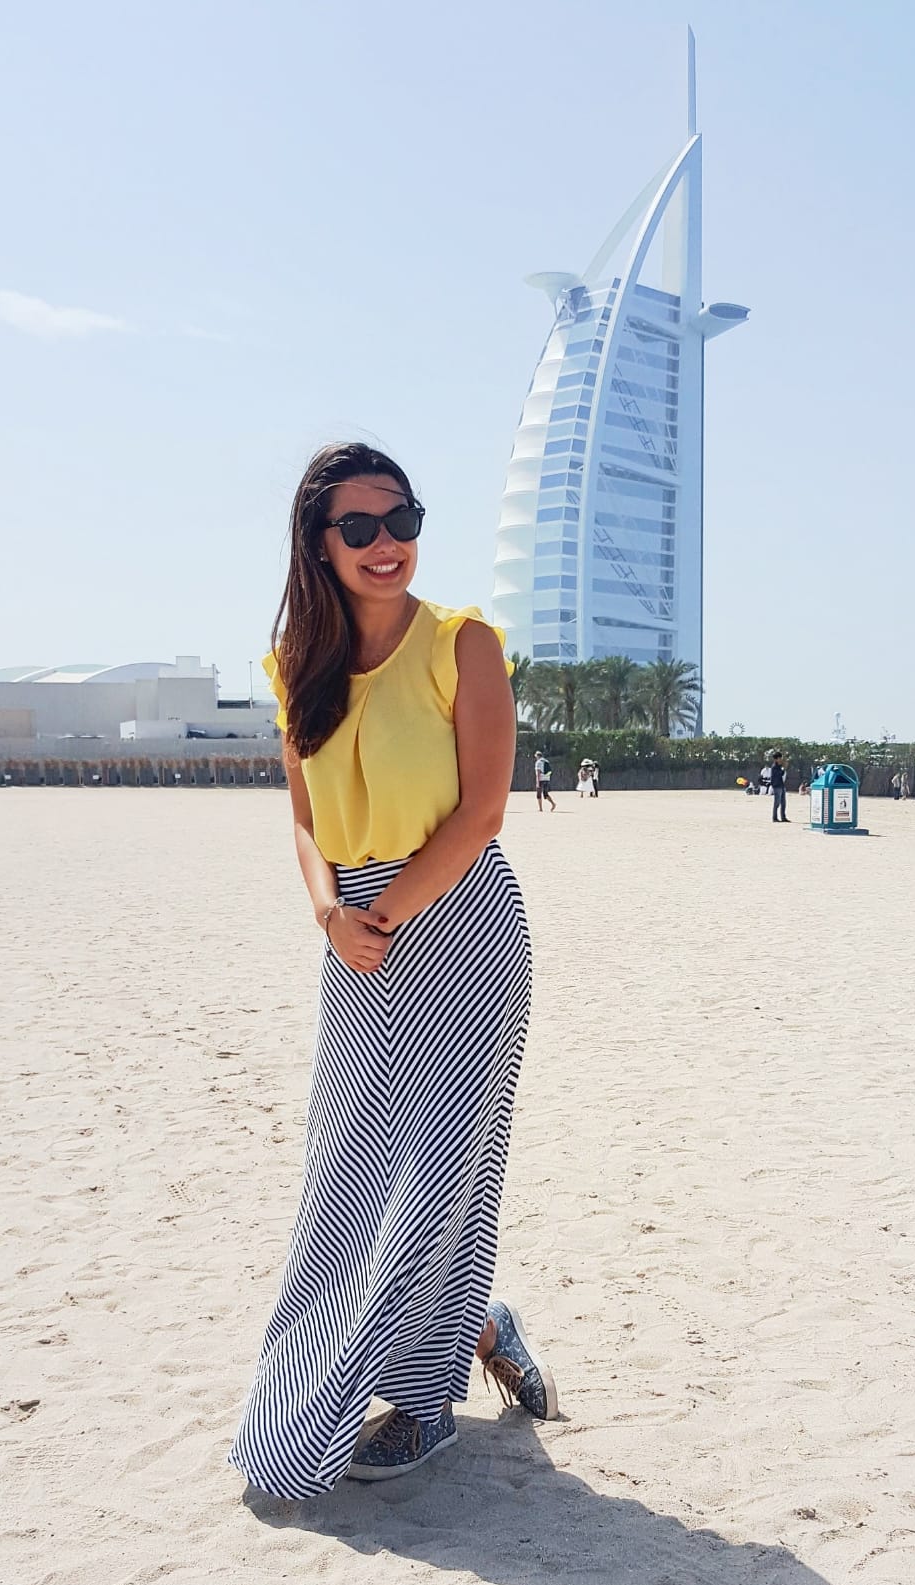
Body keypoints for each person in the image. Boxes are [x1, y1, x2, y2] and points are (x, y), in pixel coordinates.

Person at [229, 443, 557, 1498]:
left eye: (402, 520)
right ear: (318, 544)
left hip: (458, 924)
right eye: (359, 527)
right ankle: (478, 1323)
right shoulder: (296, 666)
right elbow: (301, 816)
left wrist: (384, 910)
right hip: (353, 940)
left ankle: (423, 1402)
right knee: (350, 1173)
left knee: (436, 1173)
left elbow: (484, 812)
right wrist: (330, 913)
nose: (386, 544)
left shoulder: (464, 645)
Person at [770, 752, 788, 822]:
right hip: (777, 786)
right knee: (777, 803)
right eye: (779, 758)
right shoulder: (774, 767)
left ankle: (783, 817)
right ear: (776, 759)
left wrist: (783, 768)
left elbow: (782, 774)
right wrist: (784, 768)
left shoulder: (779, 766)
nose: (781, 759)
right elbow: (779, 774)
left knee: (783, 803)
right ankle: (775, 818)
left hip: (781, 785)